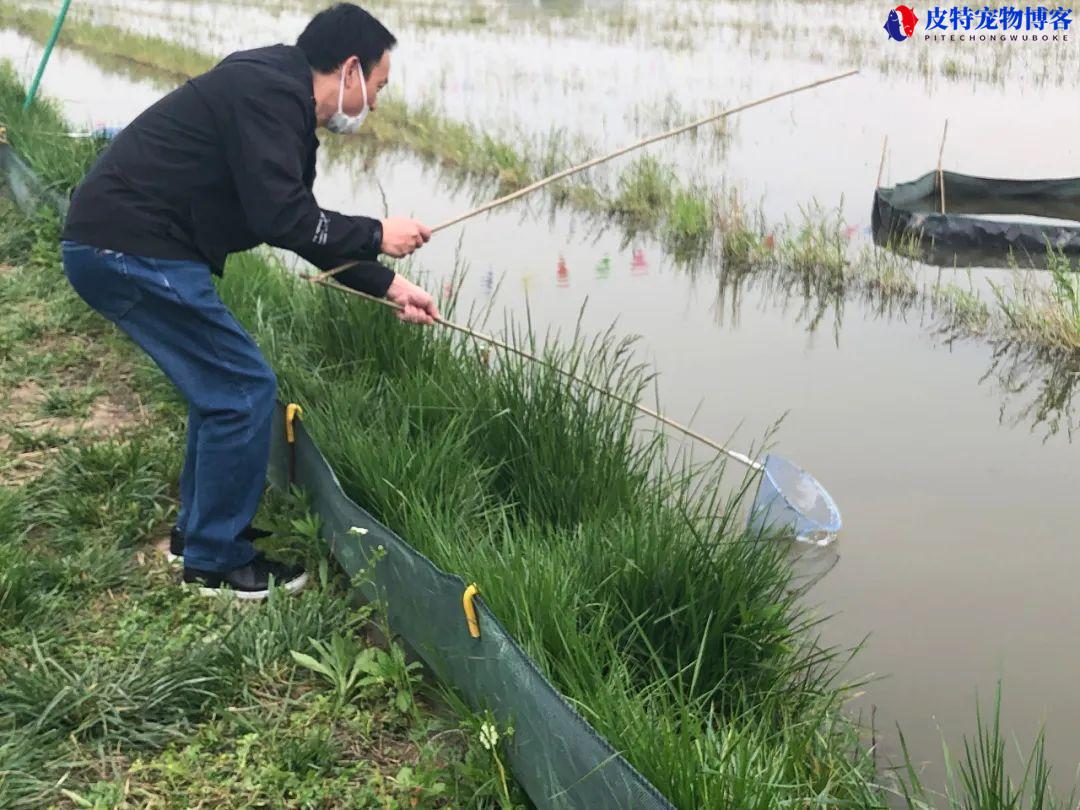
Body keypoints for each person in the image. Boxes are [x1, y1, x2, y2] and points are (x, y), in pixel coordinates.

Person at [59, 3, 440, 600]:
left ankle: (199, 537)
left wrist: (391, 285)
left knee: (222, 390)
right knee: (242, 389)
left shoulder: (279, 98)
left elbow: (299, 227)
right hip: (128, 247)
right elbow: (283, 217)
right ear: (349, 70)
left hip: (130, 245)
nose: (375, 104)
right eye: (379, 87)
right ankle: (215, 563)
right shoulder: (268, 94)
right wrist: (376, 232)